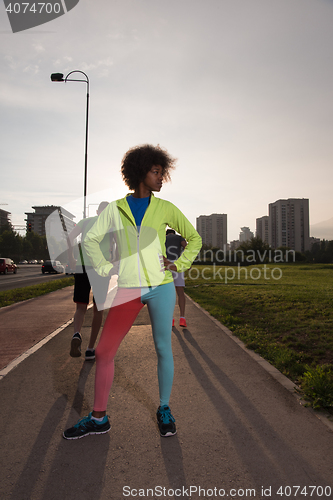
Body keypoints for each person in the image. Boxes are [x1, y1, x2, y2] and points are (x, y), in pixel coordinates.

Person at [63, 144, 202, 440]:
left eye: (162, 172)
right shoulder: (116, 209)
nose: (161, 177)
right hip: (127, 290)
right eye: (156, 172)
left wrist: (178, 264)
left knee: (163, 348)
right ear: (140, 172)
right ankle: (99, 419)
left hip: (161, 287)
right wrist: (103, 268)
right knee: (103, 352)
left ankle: (164, 408)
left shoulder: (165, 208)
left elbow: (194, 238)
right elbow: (90, 241)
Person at [67, 201, 111, 361]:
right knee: (98, 310)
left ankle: (76, 334)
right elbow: (119, 248)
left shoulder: (85, 222)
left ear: (98, 211)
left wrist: (71, 257)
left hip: (82, 266)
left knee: (80, 307)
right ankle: (90, 349)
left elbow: (70, 237)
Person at [165, 229, 188, 327]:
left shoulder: (162, 238)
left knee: (167, 293)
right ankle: (182, 318)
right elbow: (187, 248)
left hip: (165, 264)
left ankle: (171, 319)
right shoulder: (179, 238)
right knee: (180, 292)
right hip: (177, 264)